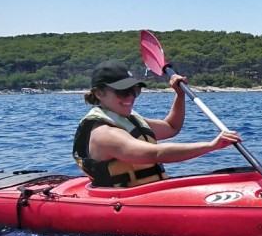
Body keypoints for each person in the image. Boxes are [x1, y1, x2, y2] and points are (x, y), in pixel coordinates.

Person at [73, 59, 241, 187]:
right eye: (122, 92)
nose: (130, 97)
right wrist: (211, 146)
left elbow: (171, 127)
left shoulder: (128, 120)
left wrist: (180, 95)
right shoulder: (104, 134)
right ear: (99, 93)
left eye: (134, 90)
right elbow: (156, 154)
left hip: (150, 193)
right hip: (124, 202)